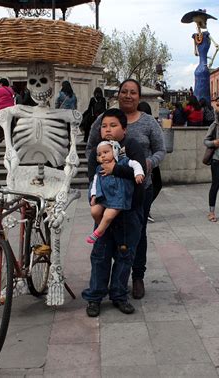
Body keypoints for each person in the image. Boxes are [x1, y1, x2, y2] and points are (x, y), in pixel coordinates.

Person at [86, 78, 166, 300]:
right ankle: (103, 285)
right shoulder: (104, 120)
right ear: (118, 95)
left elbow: (161, 150)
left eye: (133, 92)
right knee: (105, 234)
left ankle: (137, 276)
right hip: (107, 190)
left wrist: (147, 164)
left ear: (139, 97)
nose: (128, 96)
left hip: (139, 188)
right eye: (124, 92)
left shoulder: (149, 123)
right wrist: (95, 176)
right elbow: (91, 147)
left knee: (137, 234)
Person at [82, 107, 147, 317]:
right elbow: (93, 179)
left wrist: (116, 169)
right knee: (100, 256)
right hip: (105, 215)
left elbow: (140, 174)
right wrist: (93, 199)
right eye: (104, 126)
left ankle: (119, 294)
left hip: (128, 213)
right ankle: (95, 297)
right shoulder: (97, 152)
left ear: (124, 129)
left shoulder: (132, 147)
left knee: (125, 255)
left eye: (113, 125)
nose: (107, 130)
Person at [87, 138, 145, 244]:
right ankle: (105, 229)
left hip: (118, 196)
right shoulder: (99, 168)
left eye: (106, 152)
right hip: (104, 196)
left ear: (114, 151)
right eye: (100, 154)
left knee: (108, 215)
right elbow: (95, 182)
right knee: (94, 211)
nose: (103, 156)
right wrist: (94, 195)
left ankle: (98, 232)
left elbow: (136, 164)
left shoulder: (123, 161)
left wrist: (138, 173)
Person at [0, 78, 14, 142]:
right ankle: (9, 135)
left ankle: (1, 136)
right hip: (10, 108)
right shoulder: (11, 90)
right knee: (10, 123)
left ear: (1, 83)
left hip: (1, 108)